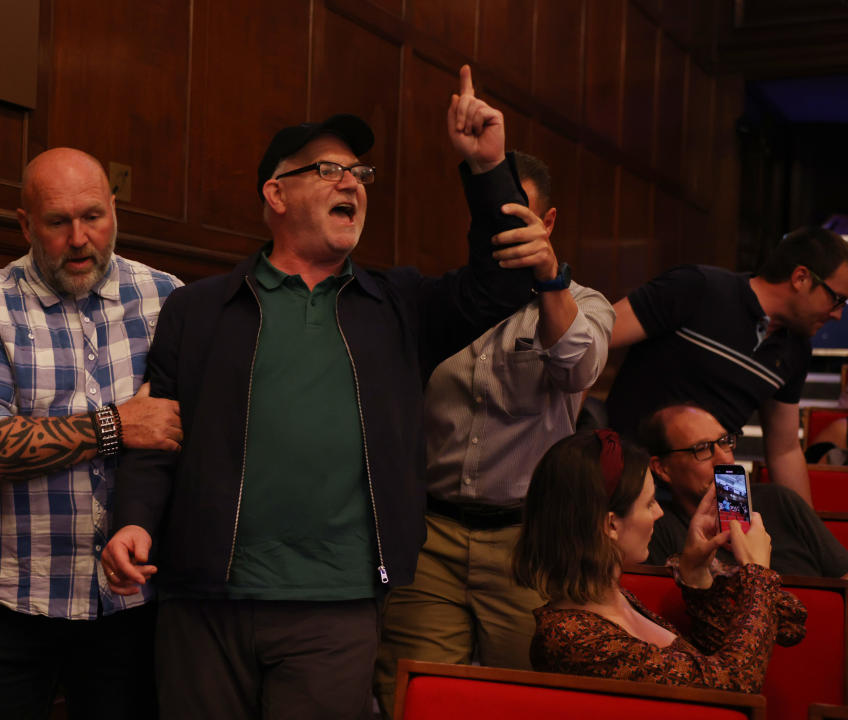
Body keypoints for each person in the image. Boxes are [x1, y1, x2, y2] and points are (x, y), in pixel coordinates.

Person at [101, 65, 546, 720]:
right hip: (205, 603)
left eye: (360, 175)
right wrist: (133, 520)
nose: (353, 184)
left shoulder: (395, 305)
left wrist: (487, 167)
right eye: (329, 171)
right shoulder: (197, 312)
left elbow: (502, 285)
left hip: (336, 607)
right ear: (276, 194)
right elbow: (157, 438)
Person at [0, 147, 183, 718]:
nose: (79, 238)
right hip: (13, 603)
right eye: (57, 222)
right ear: (25, 224)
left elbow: (185, 434)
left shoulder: (169, 298)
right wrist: (116, 425)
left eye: (93, 216)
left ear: (115, 211)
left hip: (134, 607)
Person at [373, 152, 613, 716]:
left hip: (528, 543)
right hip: (432, 536)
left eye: (519, 220)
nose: (505, 235)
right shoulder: (443, 304)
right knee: (412, 695)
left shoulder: (582, 305)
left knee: (529, 700)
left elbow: (577, 366)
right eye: (494, 221)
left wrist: (549, 276)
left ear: (547, 223)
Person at [513, 429, 807, 692]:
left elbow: (710, 665)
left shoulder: (617, 599)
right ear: (611, 525)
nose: (659, 514)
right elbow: (734, 686)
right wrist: (756, 572)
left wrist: (696, 574)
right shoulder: (573, 638)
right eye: (650, 503)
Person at [606, 226, 848, 506]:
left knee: (751, 540)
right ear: (801, 278)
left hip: (721, 480)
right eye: (837, 299)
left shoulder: (797, 349)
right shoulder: (697, 287)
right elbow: (592, 338)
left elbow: (784, 450)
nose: (839, 314)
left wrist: (807, 527)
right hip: (636, 465)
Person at [638, 403, 848, 578]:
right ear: (662, 468)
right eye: (702, 449)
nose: (725, 459)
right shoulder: (654, 530)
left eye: (724, 442)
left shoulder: (778, 501)